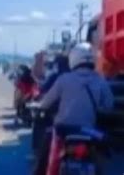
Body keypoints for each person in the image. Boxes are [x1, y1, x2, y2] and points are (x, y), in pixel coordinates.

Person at [37, 42, 114, 175]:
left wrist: (40, 106)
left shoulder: (64, 79)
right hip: (89, 131)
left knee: (47, 155)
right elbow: (108, 106)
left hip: (63, 130)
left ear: (74, 58)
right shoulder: (100, 81)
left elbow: (45, 103)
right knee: (103, 148)